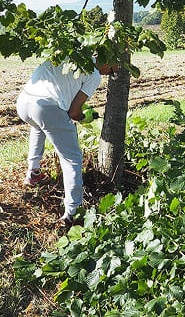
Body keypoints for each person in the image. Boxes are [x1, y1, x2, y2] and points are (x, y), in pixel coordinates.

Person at [17, 58, 115, 227]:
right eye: (112, 70)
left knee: (39, 127)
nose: (110, 74)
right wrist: (82, 118)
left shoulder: (69, 53)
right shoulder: (94, 74)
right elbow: (73, 111)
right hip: (47, 108)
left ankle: (33, 173)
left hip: (24, 103)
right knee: (72, 158)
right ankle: (71, 212)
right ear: (107, 62)